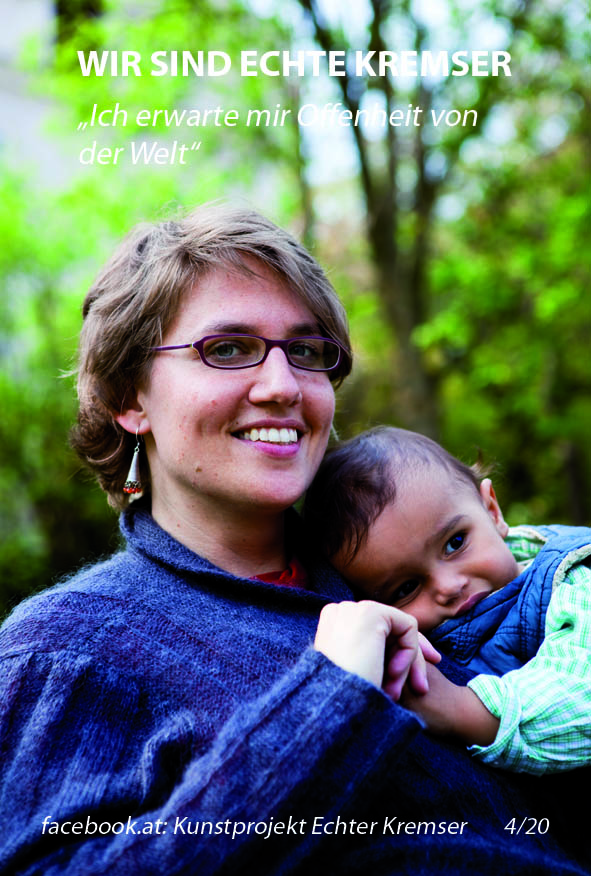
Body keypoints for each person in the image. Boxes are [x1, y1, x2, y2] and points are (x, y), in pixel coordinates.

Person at [0, 206, 589, 876]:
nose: (283, 386)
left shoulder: (403, 569)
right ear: (127, 397)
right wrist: (327, 702)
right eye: (226, 349)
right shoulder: (69, 647)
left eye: (305, 352)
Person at [303, 425, 591, 775]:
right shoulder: (414, 650)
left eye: (455, 543)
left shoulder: (571, 580)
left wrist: (461, 708)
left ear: (492, 511)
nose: (449, 587)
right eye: (406, 588)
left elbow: (582, 696)